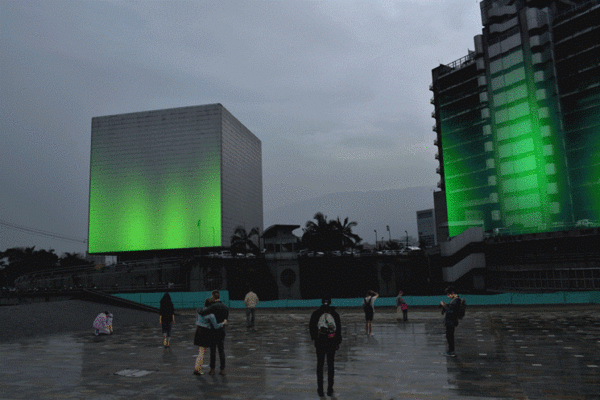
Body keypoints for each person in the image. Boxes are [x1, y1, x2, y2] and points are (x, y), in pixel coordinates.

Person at [309, 295, 342, 397]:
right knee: (330, 365)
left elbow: (311, 326)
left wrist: (315, 338)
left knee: (320, 365)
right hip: (331, 342)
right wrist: (337, 342)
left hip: (320, 342)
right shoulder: (335, 314)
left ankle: (320, 389)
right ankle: (330, 389)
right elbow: (338, 330)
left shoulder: (316, 313)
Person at [193, 306, 227, 375]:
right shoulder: (211, 315)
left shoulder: (199, 312)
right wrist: (223, 323)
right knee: (202, 352)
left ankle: (197, 368)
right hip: (205, 332)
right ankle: (197, 369)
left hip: (198, 331)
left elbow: (197, 321)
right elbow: (216, 326)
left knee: (200, 351)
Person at [202, 290, 229, 375]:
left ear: (213, 296)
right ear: (219, 296)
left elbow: (204, 314)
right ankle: (222, 369)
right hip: (221, 331)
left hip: (212, 331)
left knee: (212, 351)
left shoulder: (212, 307)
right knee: (221, 351)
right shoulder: (225, 307)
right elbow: (226, 319)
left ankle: (212, 369)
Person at [440, 286, 461, 357]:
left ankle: (451, 351)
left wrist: (445, 306)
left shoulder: (456, 300)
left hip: (451, 321)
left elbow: (451, 311)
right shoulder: (455, 300)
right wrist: (446, 305)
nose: (448, 296)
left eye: (448, 294)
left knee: (450, 337)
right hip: (451, 321)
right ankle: (451, 351)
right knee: (449, 336)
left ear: (452, 293)